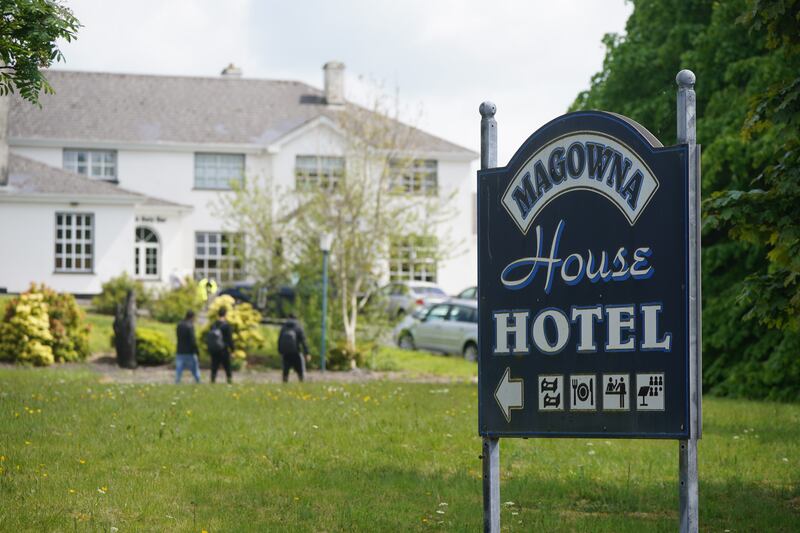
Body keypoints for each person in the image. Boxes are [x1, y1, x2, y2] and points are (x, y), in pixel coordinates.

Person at [277, 314, 310, 382]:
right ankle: (302, 383)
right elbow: (303, 341)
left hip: (286, 353)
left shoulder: (284, 327)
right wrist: (307, 353)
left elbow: (279, 340)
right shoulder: (298, 327)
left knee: (285, 371)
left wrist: (280, 351)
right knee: (300, 371)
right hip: (296, 352)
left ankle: (284, 384)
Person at [207, 307, 235, 384]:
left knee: (214, 366)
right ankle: (229, 381)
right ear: (225, 314)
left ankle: (212, 381)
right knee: (227, 366)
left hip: (214, 349)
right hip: (223, 349)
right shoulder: (226, 325)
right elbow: (230, 339)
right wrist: (232, 350)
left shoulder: (213, 325)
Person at [175, 310, 201, 384]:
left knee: (179, 370)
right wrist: (197, 351)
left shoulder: (179, 325)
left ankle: (177, 382)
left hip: (180, 351)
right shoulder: (190, 326)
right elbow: (193, 340)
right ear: (192, 317)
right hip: (190, 352)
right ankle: (198, 382)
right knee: (195, 370)